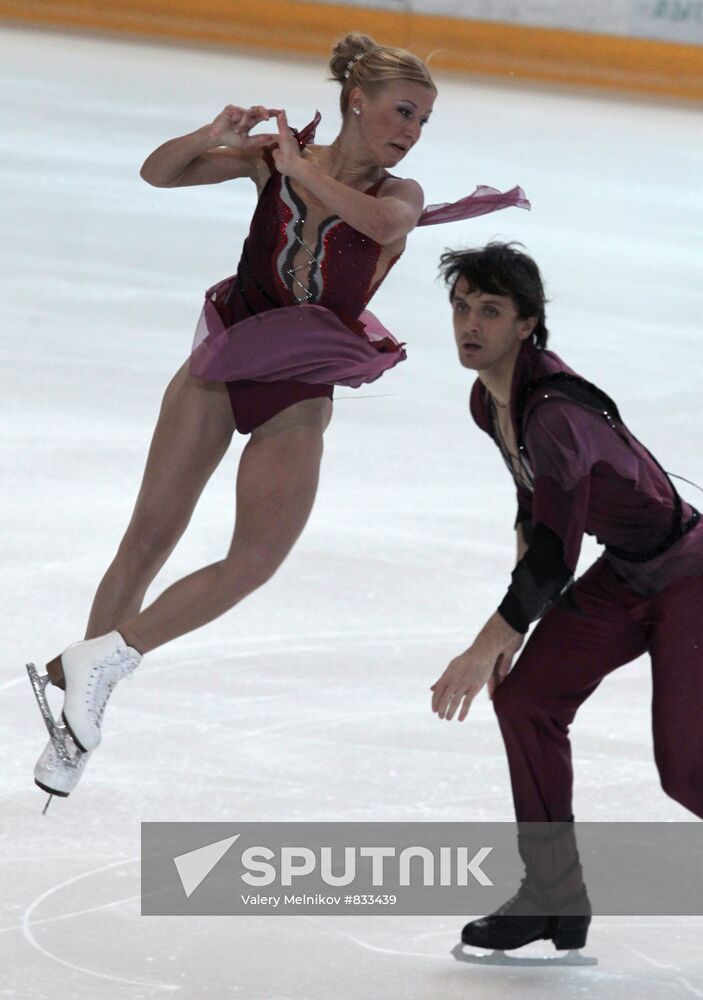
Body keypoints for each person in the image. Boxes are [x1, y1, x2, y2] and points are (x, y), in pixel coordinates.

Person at [29, 35, 529, 802]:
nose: (411, 130)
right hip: (227, 354)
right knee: (147, 539)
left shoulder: (400, 192)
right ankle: (74, 726)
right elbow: (157, 172)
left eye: (424, 120)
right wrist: (213, 137)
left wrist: (300, 169)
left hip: (298, 379)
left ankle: (108, 655)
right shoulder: (276, 159)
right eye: (403, 111)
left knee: (255, 560)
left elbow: (385, 227)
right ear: (355, 102)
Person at [430, 242, 703, 957]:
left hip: (690, 578)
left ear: (526, 324)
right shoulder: (488, 402)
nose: (469, 324)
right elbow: (535, 514)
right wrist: (512, 636)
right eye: (460, 307)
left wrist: (485, 641)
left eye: (490, 310)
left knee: (686, 773)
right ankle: (552, 894)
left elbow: (555, 555)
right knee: (525, 701)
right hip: (626, 575)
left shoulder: (551, 413)